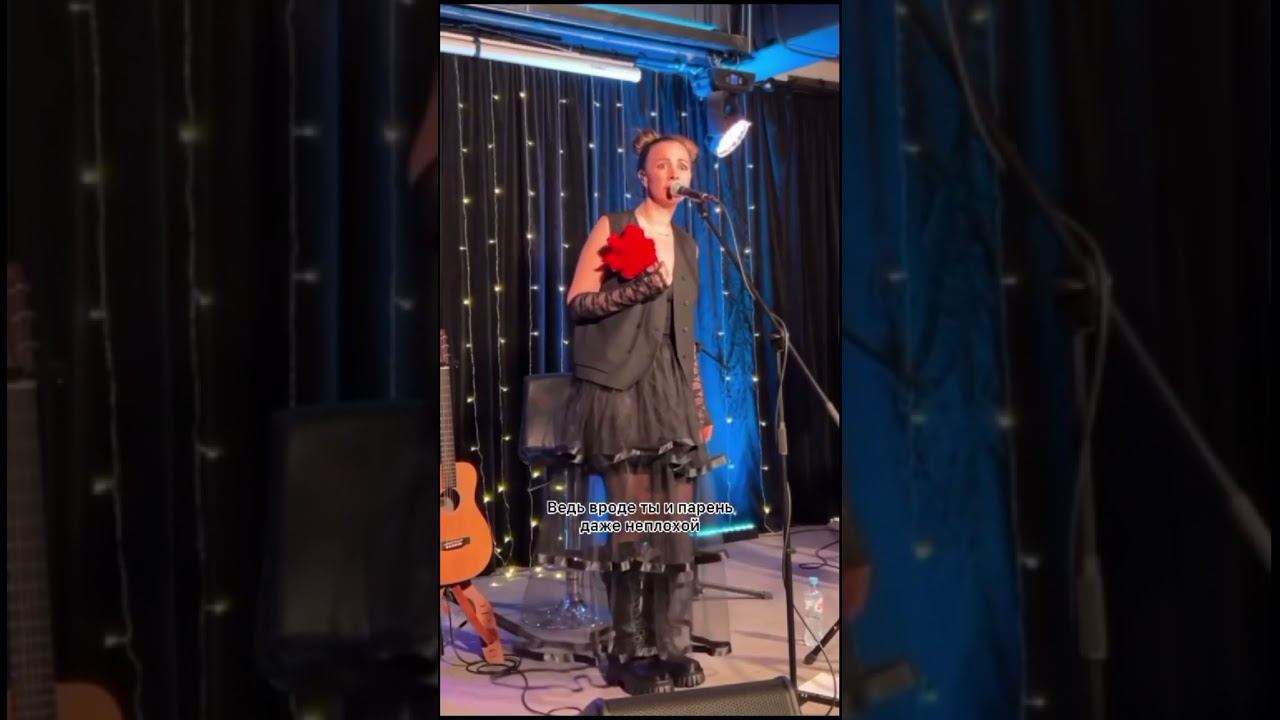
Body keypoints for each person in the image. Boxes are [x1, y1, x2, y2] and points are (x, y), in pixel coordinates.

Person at [524, 129, 729, 696]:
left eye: (682, 165)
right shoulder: (615, 226)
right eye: (662, 164)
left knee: (674, 526)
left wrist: (697, 402)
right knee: (635, 525)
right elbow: (577, 303)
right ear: (643, 175)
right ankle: (627, 648)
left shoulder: (688, 244)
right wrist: (634, 290)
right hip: (619, 390)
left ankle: (671, 645)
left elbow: (684, 335)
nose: (673, 173)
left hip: (670, 392)